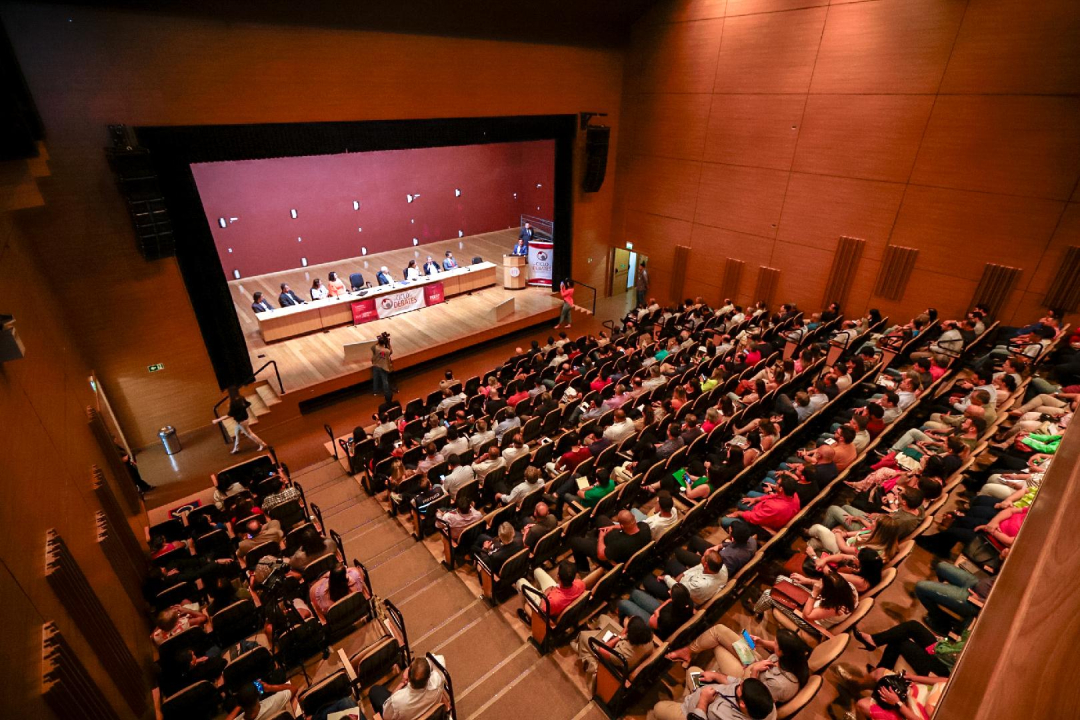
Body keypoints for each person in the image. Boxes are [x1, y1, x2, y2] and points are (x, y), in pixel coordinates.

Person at [666, 627, 811, 706]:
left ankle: (688, 701)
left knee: (697, 668)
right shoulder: (795, 658)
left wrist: (753, 672)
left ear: (784, 652)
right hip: (754, 664)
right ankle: (687, 651)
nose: (773, 644)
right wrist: (761, 642)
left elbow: (752, 700)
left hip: (746, 680)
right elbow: (775, 646)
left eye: (776, 644)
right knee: (718, 631)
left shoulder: (779, 685)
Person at [575, 615, 653, 691]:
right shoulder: (648, 640)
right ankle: (592, 628)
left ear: (629, 633)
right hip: (625, 640)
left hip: (612, 656)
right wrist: (624, 633)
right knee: (603, 617)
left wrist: (619, 637)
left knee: (583, 635)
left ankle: (581, 646)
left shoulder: (623, 655)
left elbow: (601, 650)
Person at [650, 674, 776, 720]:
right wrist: (715, 676)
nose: (739, 684)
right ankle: (688, 693)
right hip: (705, 691)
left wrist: (704, 701)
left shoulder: (724, 716)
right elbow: (734, 682)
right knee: (693, 671)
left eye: (740, 688)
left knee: (657, 708)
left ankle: (683, 700)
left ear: (742, 704)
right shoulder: (767, 706)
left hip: (690, 711)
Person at [570, 509, 652, 573]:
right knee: (601, 518)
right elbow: (630, 526)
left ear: (622, 525)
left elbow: (601, 555)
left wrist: (601, 537)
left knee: (575, 541)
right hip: (618, 542)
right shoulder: (644, 527)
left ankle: (583, 568)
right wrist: (612, 527)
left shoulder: (620, 544)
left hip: (610, 558)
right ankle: (594, 539)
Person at [368, 656, 447, 720]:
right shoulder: (438, 679)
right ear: (429, 676)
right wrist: (422, 666)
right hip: (431, 713)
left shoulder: (397, 700)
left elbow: (386, 716)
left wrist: (402, 682)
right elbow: (439, 658)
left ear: (409, 678)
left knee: (375, 691)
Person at [515, 559, 585, 624]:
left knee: (520, 582)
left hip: (548, 604)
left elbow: (541, 612)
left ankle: (528, 617)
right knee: (537, 570)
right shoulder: (580, 584)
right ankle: (537, 594)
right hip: (557, 591)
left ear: (558, 576)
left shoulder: (553, 601)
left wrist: (545, 594)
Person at [221, 385, 266, 454]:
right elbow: (248, 404)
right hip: (243, 419)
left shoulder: (233, 402)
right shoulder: (241, 398)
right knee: (237, 434)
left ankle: (262, 444)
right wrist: (241, 408)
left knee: (249, 434)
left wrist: (217, 420)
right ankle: (236, 448)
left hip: (241, 422)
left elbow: (230, 414)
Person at [225, 681, 298, 720]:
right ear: (257, 699)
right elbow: (293, 688)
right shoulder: (272, 704)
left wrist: (240, 702)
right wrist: (270, 687)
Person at [371, 333, 394, 402]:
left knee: (375, 379)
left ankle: (375, 392)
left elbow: (374, 346)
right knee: (385, 381)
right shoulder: (386, 351)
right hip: (383, 366)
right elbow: (391, 351)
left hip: (375, 365)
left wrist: (379, 340)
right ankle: (386, 393)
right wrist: (389, 343)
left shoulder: (375, 348)